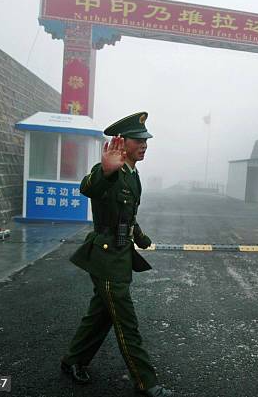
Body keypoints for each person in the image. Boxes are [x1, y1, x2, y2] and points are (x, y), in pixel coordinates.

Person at [60, 112, 174, 397]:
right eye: (139, 140)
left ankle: (73, 360)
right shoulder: (110, 171)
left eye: (146, 139)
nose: (145, 144)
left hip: (121, 256)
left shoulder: (134, 176)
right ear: (122, 143)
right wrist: (106, 171)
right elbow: (88, 187)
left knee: (101, 315)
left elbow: (127, 216)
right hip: (107, 258)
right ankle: (146, 383)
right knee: (126, 322)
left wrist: (140, 237)